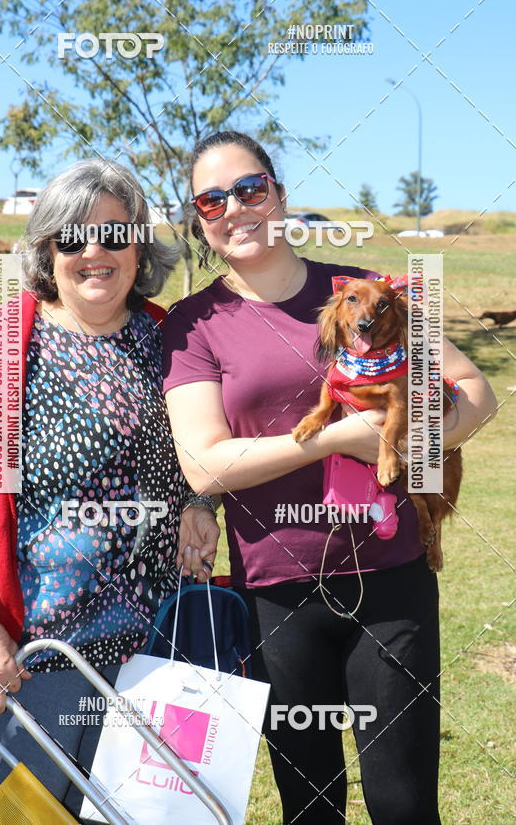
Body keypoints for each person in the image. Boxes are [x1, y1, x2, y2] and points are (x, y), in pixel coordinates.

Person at [162, 131, 497, 824]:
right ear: (200, 220)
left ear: (280, 196)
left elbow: (475, 390)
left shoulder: (363, 293)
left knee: (404, 805)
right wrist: (337, 438)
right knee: (310, 809)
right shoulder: (195, 325)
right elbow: (203, 461)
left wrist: (416, 439)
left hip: (391, 580)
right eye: (212, 199)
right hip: (277, 598)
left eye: (251, 189)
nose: (236, 208)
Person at [0, 159, 219, 821]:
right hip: (41, 662)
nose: (94, 251)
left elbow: (209, 446)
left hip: (162, 657)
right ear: (46, 245)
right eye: (73, 234)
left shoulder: (174, 342)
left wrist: (201, 504)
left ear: (139, 248)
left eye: (115, 234)